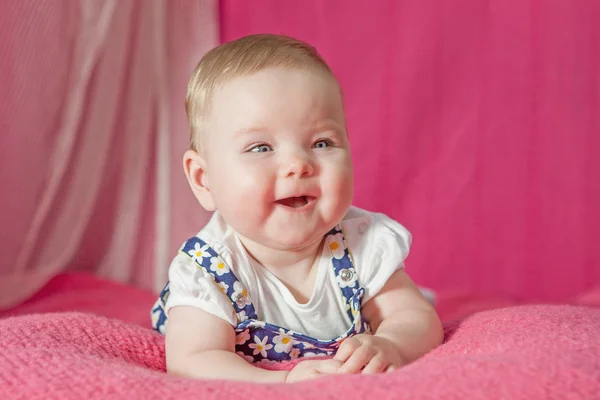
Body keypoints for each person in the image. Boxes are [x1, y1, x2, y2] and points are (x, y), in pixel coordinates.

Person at [151, 34, 443, 383]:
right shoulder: (209, 270)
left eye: (322, 142)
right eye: (260, 148)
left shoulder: (361, 243)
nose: (297, 164)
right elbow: (193, 359)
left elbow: (415, 317)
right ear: (204, 180)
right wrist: (283, 382)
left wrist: (391, 343)